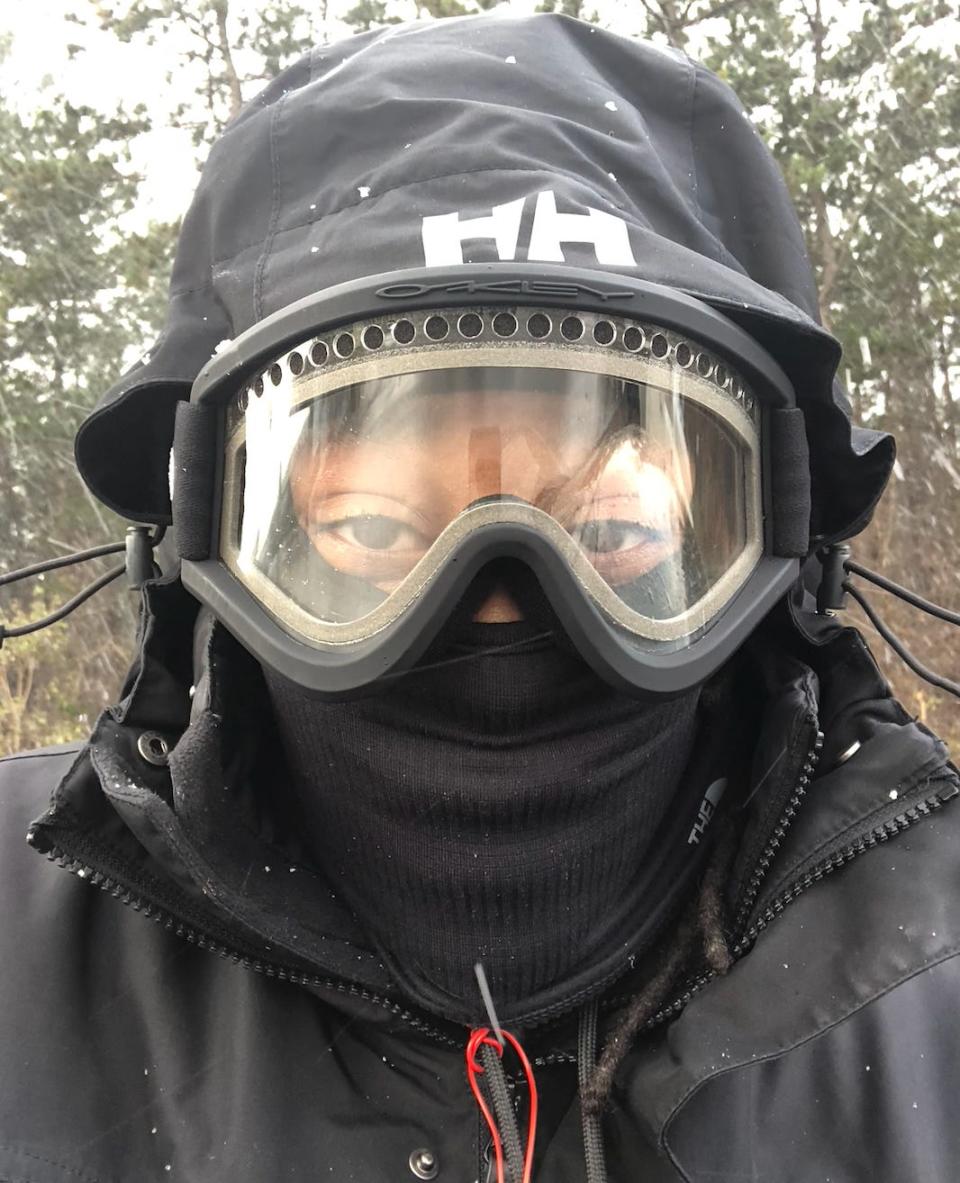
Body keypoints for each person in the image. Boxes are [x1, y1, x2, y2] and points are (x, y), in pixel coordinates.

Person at [1, 13, 957, 1182]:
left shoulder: (937, 965)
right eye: (368, 527)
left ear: (784, 547)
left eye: (609, 530)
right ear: (197, 542)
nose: (498, 606)